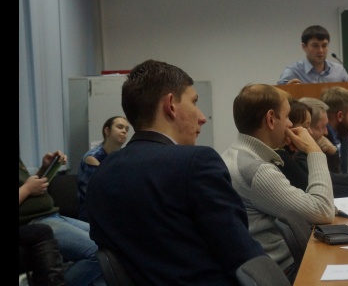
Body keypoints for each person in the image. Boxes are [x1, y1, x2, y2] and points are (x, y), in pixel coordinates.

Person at [86, 59, 280, 285]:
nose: (202, 117)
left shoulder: (101, 174)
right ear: (170, 105)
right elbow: (244, 257)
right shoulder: (197, 163)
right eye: (194, 102)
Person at [221, 84, 335, 283]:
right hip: (284, 271)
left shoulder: (234, 155)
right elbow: (323, 211)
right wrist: (315, 151)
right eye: (288, 116)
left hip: (271, 268)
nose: (290, 124)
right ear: (271, 119)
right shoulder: (257, 170)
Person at [275, 99, 348, 197]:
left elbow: (330, 179)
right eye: (306, 126)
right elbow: (322, 188)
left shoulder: (294, 153)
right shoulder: (286, 157)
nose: (310, 132)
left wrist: (332, 152)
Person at [19, 151, 103, 286]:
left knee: (109, 242)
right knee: (99, 253)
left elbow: (29, 188)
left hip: (52, 215)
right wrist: (27, 188)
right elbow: (26, 189)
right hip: (34, 223)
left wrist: (45, 169)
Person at [76, 116, 130, 221]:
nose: (124, 131)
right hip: (93, 214)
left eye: (127, 129)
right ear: (107, 131)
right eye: (120, 127)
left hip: (112, 209)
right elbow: (101, 191)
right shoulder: (93, 157)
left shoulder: (123, 156)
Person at [277, 25, 348, 85]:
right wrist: (289, 89)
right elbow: (279, 95)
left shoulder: (339, 70)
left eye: (324, 45)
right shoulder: (293, 72)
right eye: (315, 46)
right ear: (304, 47)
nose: (320, 50)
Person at [320, 86, 348, 174]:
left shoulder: (344, 138)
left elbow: (343, 175)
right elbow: (331, 177)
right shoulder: (321, 140)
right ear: (340, 116)